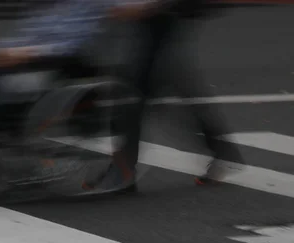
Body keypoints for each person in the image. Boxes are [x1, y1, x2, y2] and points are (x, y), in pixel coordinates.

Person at [0, 0, 147, 169]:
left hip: (61, 59)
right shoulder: (47, 6)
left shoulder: (88, 6)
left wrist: (26, 51)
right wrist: (3, 47)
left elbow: (73, 43)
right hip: (31, 52)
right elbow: (28, 32)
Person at [83, 0, 244, 193]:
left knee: (137, 90)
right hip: (154, 16)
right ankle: (223, 152)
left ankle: (123, 170)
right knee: (164, 83)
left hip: (163, 12)